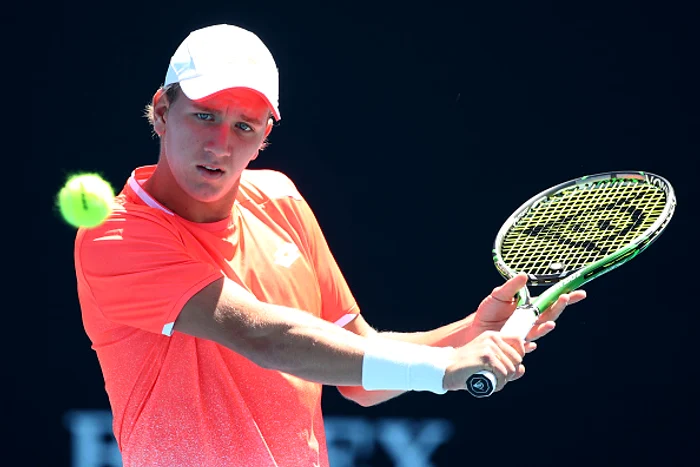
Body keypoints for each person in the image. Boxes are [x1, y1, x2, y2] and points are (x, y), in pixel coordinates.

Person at [73, 23, 586, 467]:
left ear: (265, 136)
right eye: (204, 115)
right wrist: (442, 370)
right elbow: (265, 337)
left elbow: (360, 376)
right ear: (162, 110)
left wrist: (468, 333)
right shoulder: (114, 235)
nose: (219, 145)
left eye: (244, 126)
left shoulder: (280, 200)